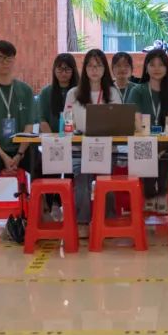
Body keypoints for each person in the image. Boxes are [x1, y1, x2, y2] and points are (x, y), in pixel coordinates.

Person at [0, 40, 47, 241]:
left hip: (21, 147)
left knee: (41, 163)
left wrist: (20, 153)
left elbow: (29, 126)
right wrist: (3, 155)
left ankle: (41, 213)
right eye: (0, 58)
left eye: (8, 58)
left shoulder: (25, 90)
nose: (5, 62)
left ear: (14, 60)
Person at [64, 49, 123, 238]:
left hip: (107, 147)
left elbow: (120, 121)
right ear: (85, 69)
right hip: (80, 147)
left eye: (98, 65)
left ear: (105, 69)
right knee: (82, 181)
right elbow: (67, 121)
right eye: (90, 66)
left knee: (106, 181)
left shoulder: (113, 93)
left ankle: (108, 219)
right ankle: (82, 222)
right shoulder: (73, 93)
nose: (94, 69)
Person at [127, 49, 168, 212]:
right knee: (146, 150)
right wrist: (152, 143)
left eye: (161, 65)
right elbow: (137, 120)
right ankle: (150, 194)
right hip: (144, 139)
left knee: (166, 154)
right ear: (146, 68)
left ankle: (163, 194)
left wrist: (162, 143)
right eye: (152, 65)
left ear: (167, 68)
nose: (157, 68)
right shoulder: (138, 90)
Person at [36, 53, 80, 133]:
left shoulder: (80, 92)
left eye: (67, 69)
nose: (63, 73)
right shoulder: (45, 92)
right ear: (54, 70)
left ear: (73, 71)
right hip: (52, 138)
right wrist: (53, 139)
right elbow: (42, 120)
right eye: (60, 69)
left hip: (76, 137)